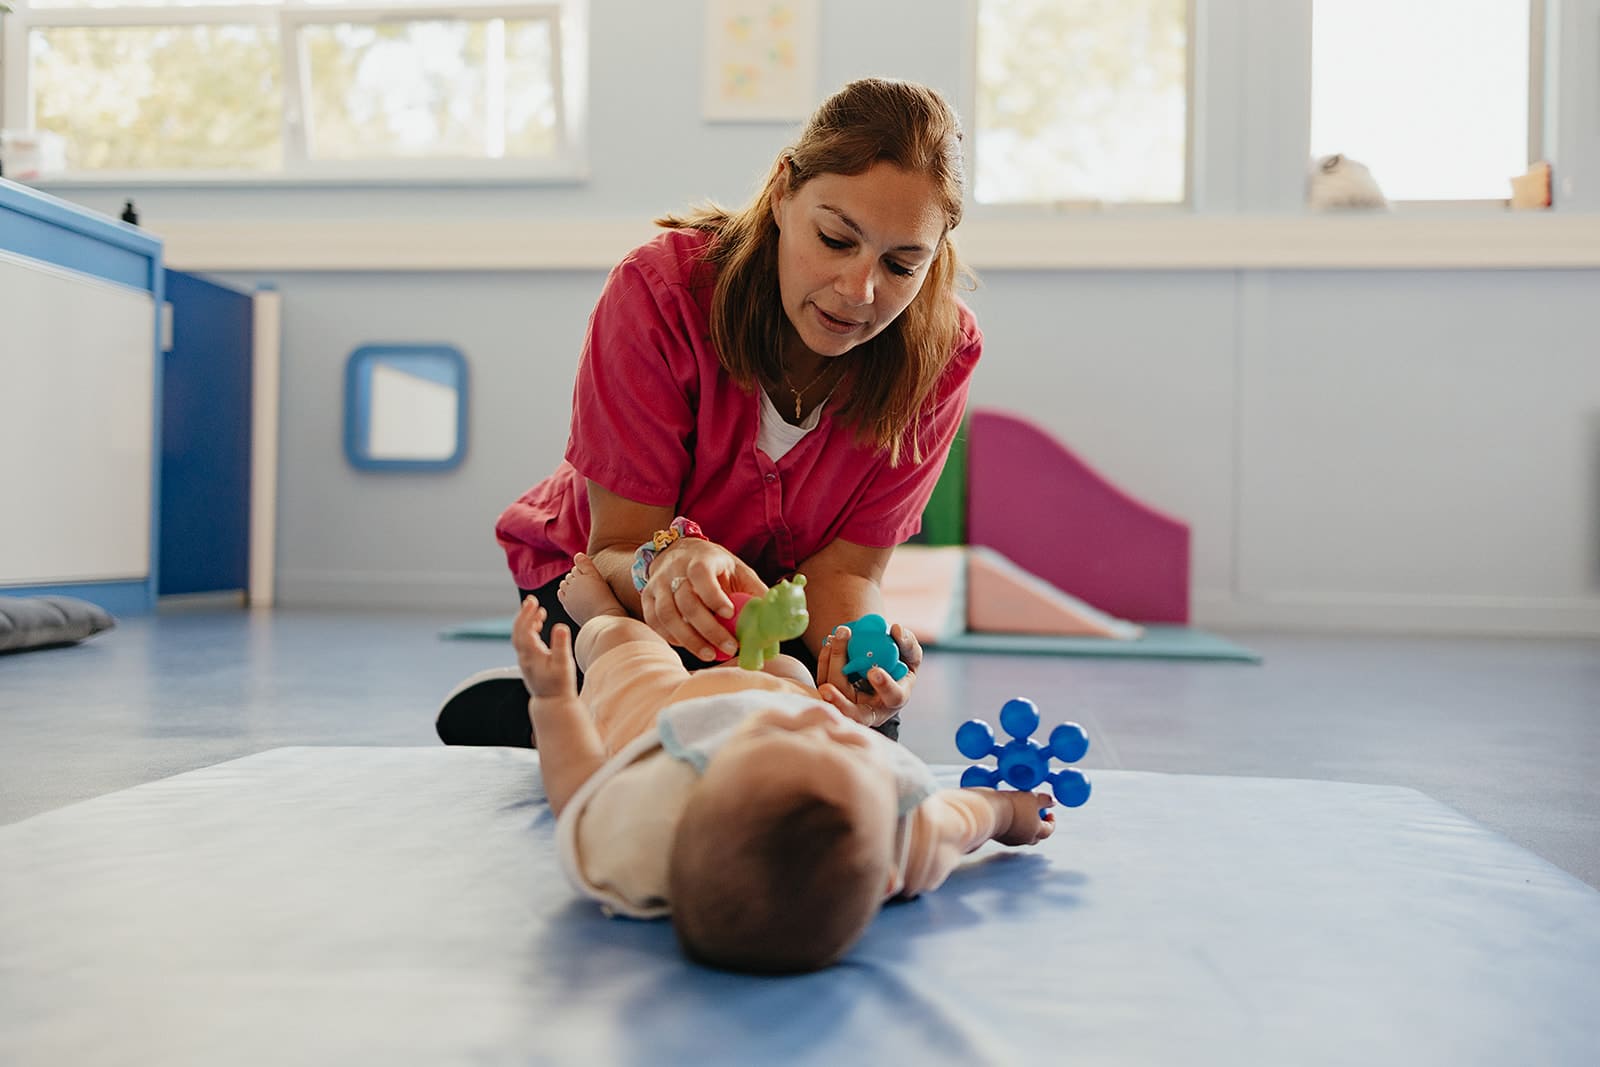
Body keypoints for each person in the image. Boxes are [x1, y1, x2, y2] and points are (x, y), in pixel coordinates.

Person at [437, 76, 981, 749]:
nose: (858, 290)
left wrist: (852, 661)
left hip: (769, 611)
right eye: (836, 239)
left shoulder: (942, 352)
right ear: (782, 190)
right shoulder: (659, 292)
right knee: (671, 718)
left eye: (901, 265)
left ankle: (579, 704)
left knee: (847, 747)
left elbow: (846, 573)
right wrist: (670, 560)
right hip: (603, 580)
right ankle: (553, 707)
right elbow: (617, 544)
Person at [526, 555, 1058, 974]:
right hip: (778, 690)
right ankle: (758, 658)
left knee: (625, 647)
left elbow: (578, 793)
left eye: (778, 734)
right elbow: (966, 818)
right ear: (888, 879)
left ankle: (601, 612)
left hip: (669, 716)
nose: (817, 723)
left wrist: (553, 705)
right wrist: (1010, 813)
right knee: (790, 672)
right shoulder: (901, 829)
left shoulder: (640, 837)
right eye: (850, 748)